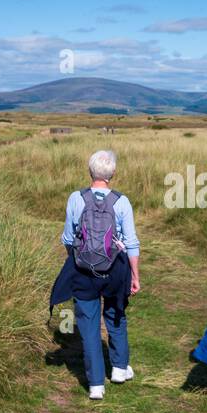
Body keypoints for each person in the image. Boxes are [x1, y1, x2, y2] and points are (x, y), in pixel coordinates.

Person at [52, 149, 141, 400]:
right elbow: (132, 243)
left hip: (83, 271)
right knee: (116, 315)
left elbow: (68, 238)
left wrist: (80, 257)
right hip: (116, 271)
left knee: (88, 326)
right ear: (112, 173)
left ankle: (95, 385)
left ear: (90, 171)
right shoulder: (122, 201)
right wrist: (135, 275)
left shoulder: (75, 198)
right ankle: (120, 369)